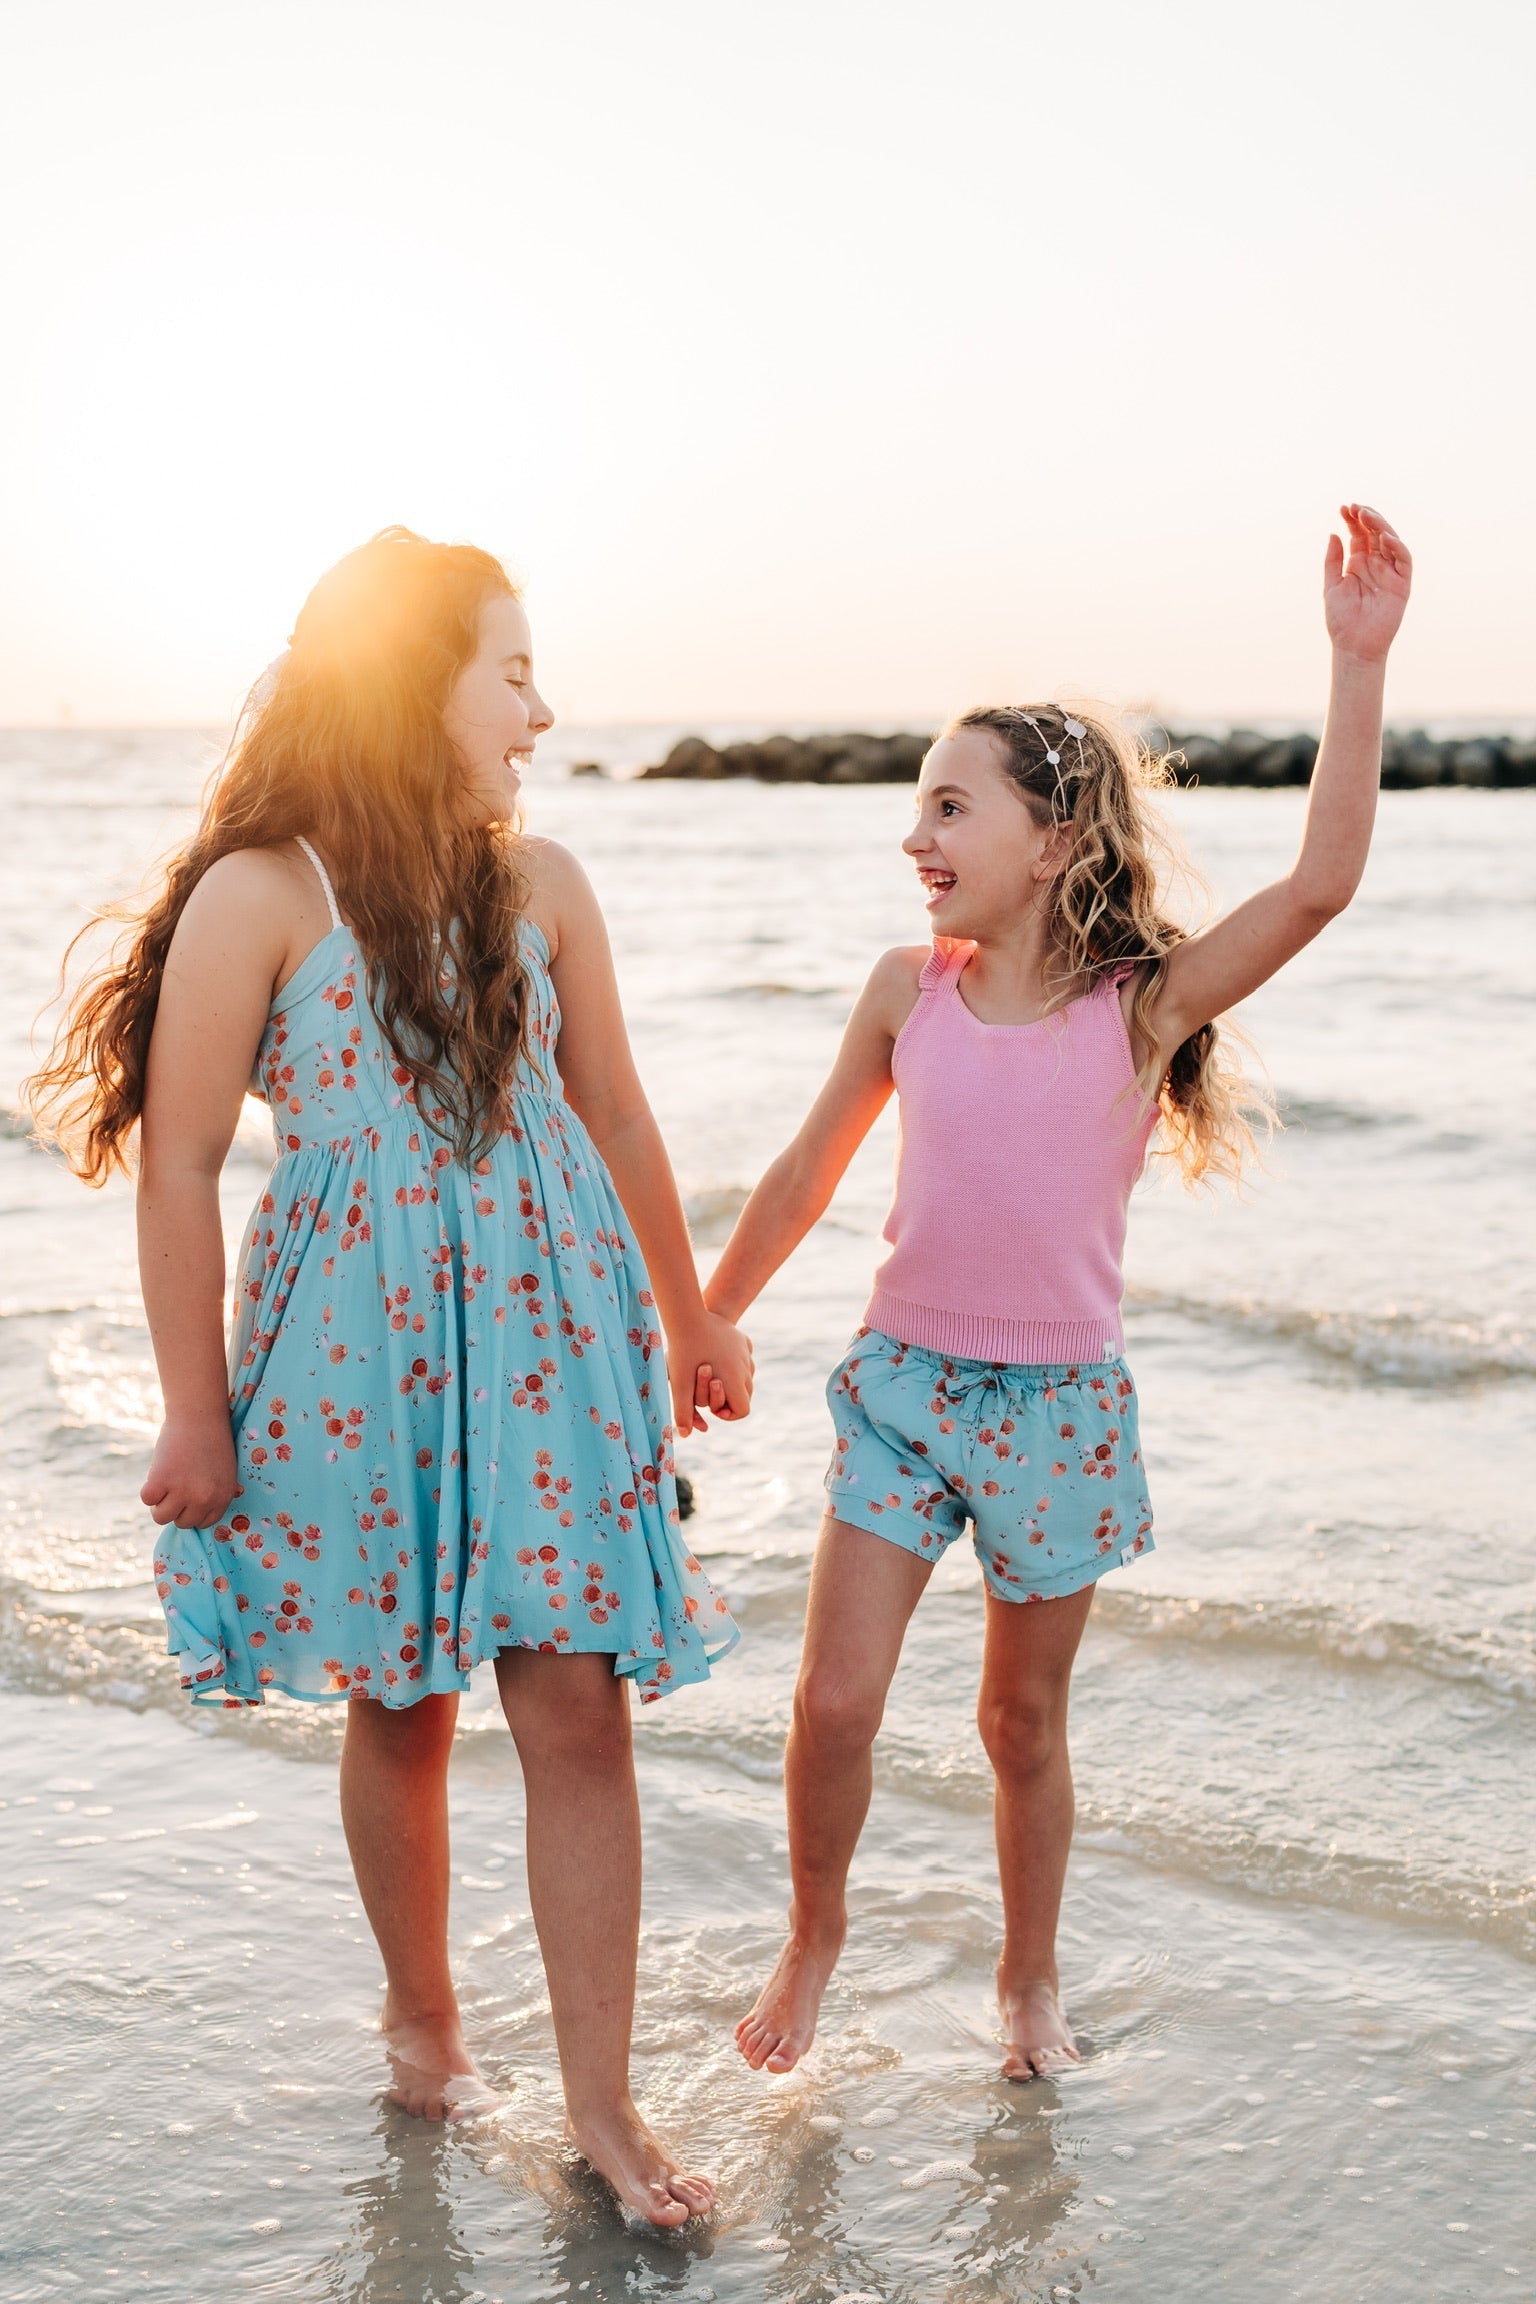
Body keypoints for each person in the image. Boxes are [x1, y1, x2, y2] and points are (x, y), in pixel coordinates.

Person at [26, 527, 753, 2227]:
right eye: (510, 671)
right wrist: (193, 1408)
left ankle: (601, 2108)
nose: (542, 709)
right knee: (405, 1702)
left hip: (557, 1337)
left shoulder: (547, 885)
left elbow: (621, 1112)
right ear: (411, 685)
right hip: (362, 1353)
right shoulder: (266, 894)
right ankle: (425, 2015)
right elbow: (183, 1158)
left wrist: (697, 1311)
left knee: (578, 1706)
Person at [704, 505, 1411, 2081]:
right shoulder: (909, 991)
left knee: (1019, 1728)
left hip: (1062, 1413)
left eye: (949, 806)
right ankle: (814, 1937)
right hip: (903, 1390)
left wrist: (1354, 664)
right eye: (915, 808)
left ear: (1057, 840)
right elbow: (808, 1169)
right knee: (831, 1705)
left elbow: (1319, 887)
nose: (918, 836)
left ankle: (1028, 1979)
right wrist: (714, 1308)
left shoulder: (1137, 1011)